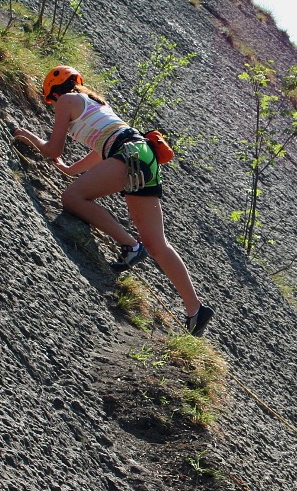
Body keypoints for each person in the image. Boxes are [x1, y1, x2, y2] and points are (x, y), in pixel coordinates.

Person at [12, 65, 214, 337]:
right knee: (157, 244)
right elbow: (102, 149)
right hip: (144, 157)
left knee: (72, 197)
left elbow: (52, 149)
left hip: (127, 155)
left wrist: (26, 135)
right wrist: (71, 170)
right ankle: (195, 309)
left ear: (54, 93)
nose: (53, 106)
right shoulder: (94, 103)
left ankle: (130, 245)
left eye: (51, 101)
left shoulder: (66, 101)